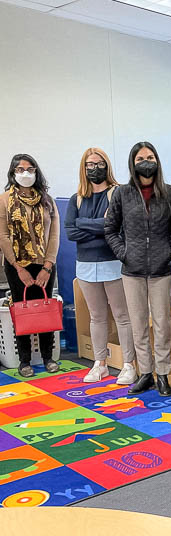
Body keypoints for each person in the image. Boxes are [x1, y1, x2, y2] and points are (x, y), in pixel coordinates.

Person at [105, 142, 171, 397]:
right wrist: (124, 253)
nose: (146, 161)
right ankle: (145, 374)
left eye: (150, 157)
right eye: (141, 158)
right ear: (133, 162)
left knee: (162, 323)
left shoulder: (170, 193)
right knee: (138, 324)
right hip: (132, 270)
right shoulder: (122, 194)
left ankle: (162, 373)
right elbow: (110, 229)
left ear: (157, 160)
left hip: (162, 270)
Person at [65, 148, 136, 385]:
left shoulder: (117, 193)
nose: (94, 168)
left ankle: (128, 365)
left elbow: (116, 228)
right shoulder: (77, 198)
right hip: (85, 266)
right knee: (96, 317)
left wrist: (84, 224)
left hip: (113, 263)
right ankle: (100, 364)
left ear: (107, 166)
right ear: (83, 168)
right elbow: (70, 231)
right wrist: (100, 226)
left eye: (99, 163)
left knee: (122, 316)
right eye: (89, 164)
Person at [0, 154, 60, 377]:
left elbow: (54, 235)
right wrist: (18, 267)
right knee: (21, 310)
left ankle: (48, 357)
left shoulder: (47, 200)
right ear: (13, 173)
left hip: (44, 263)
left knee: (44, 308)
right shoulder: (4, 200)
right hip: (17, 266)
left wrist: (47, 266)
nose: (25, 173)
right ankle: (24, 360)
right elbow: (3, 235)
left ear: (36, 172)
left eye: (30, 168)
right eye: (20, 169)